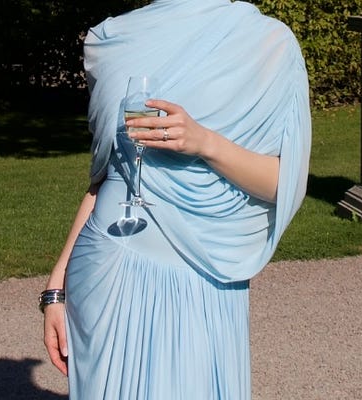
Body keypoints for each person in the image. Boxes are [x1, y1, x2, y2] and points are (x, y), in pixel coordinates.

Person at [42, 0, 311, 398]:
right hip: (107, 269)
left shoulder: (269, 42)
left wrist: (205, 143)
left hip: (202, 274)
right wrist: (57, 287)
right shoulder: (111, 39)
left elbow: (282, 185)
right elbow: (108, 178)